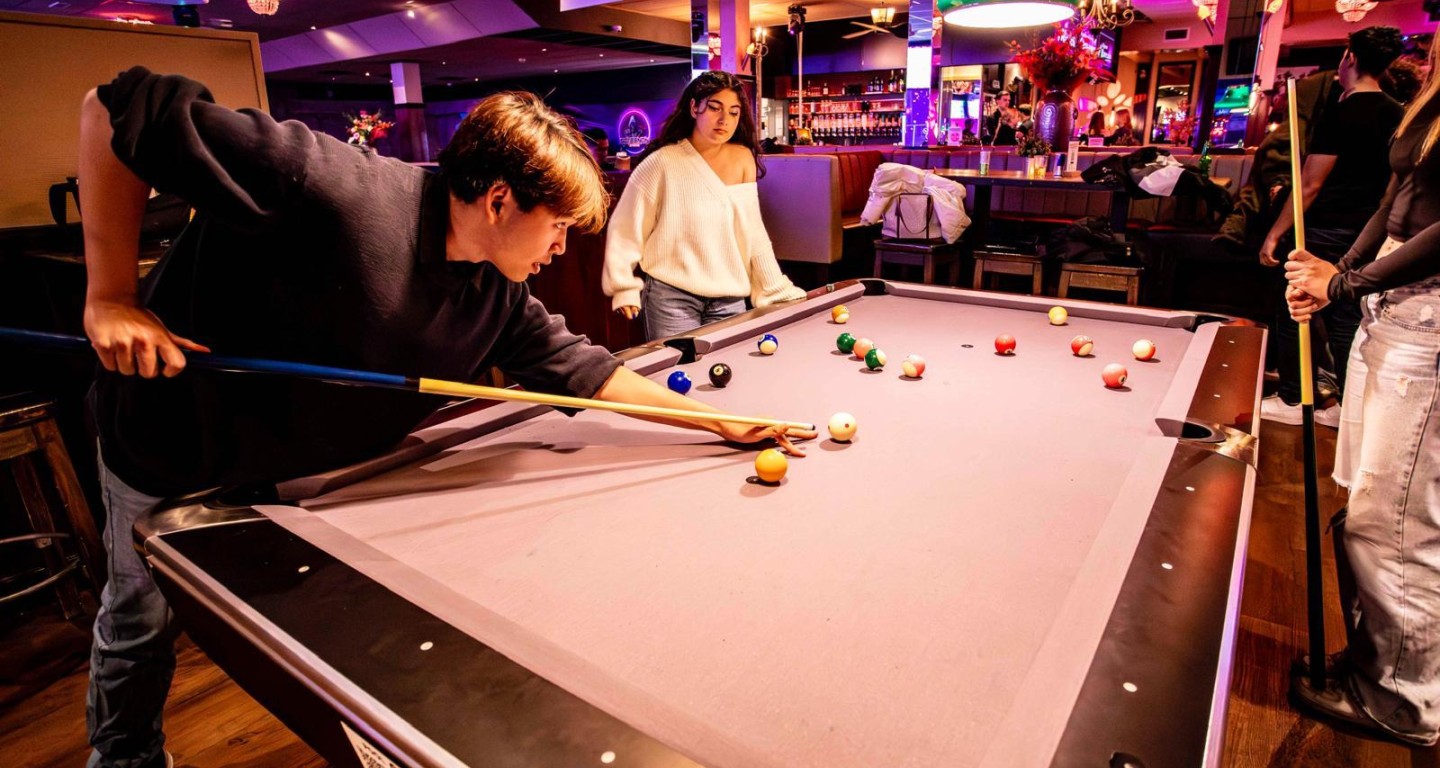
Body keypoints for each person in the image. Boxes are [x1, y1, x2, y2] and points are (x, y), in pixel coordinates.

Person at [79, 66, 814, 768]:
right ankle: (123, 757)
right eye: (557, 226)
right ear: (499, 201)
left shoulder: (495, 296)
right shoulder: (333, 185)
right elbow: (115, 108)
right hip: (177, 440)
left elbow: (586, 371)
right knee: (140, 625)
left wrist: (716, 422)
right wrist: (111, 296)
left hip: (307, 479)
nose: (562, 248)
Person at [1282, 30, 1440, 749]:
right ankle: (1380, 662)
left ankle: (1404, 701)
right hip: (1392, 312)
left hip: (1428, 323)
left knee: (1397, 523)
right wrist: (1334, 273)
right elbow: (1394, 198)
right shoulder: (1429, 101)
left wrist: (1345, 284)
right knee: (1369, 510)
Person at [1259, 26, 1405, 428]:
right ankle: (1347, 407)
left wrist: (1274, 233)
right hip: (1367, 232)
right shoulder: (1398, 112)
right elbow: (1393, 187)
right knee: (1347, 319)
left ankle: (1294, 398)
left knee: (1295, 308)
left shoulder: (1342, 112)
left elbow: (1309, 184)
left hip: (1323, 230)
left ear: (1350, 58)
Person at [602, 71, 805, 341]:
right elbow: (626, 226)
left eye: (733, 112)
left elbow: (752, 231)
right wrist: (623, 286)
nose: (724, 120)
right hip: (671, 296)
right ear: (693, 107)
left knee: (728, 366)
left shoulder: (743, 158)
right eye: (714, 108)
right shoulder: (662, 162)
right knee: (677, 368)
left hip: (730, 296)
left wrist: (774, 287)